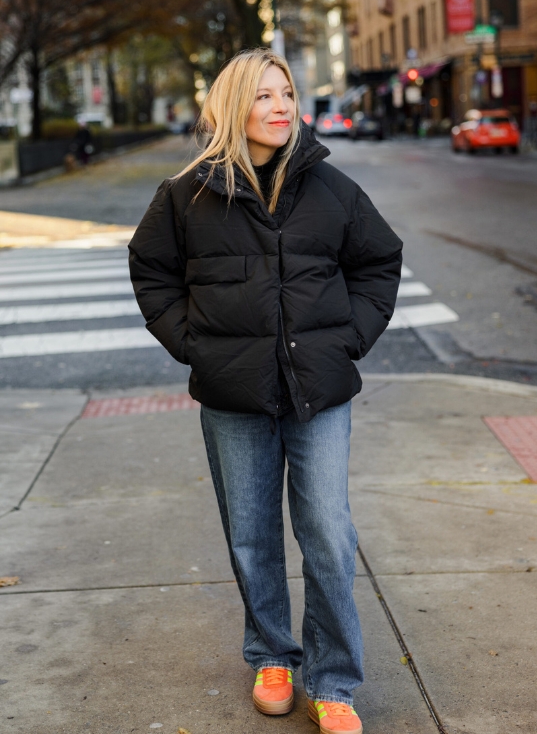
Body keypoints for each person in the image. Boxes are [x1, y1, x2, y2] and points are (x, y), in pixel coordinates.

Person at [129, 49, 402, 734]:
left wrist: (349, 339)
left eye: (287, 93)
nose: (281, 107)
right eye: (264, 95)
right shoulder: (185, 195)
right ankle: (271, 654)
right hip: (234, 395)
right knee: (251, 536)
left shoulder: (332, 189)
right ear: (232, 107)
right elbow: (150, 270)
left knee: (330, 536)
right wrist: (195, 345)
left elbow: (379, 260)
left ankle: (333, 678)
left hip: (320, 391)